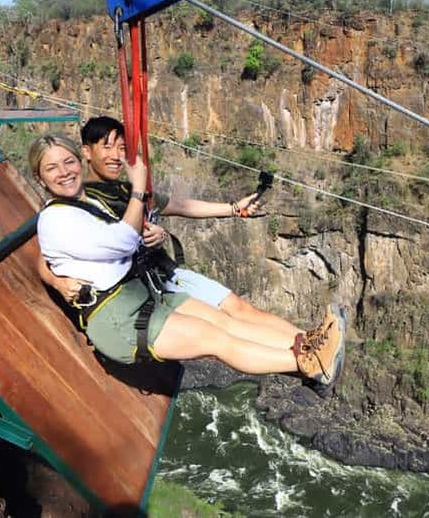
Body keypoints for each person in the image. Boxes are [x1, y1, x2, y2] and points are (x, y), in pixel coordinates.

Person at [30, 133, 345, 394]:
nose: (64, 172)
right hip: (118, 319)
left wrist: (158, 228)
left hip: (143, 295)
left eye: (68, 162)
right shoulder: (57, 217)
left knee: (228, 324)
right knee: (218, 340)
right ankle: (313, 366)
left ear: (80, 161)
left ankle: (309, 350)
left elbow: (135, 231)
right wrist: (138, 191)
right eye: (52, 168)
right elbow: (118, 242)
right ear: (40, 178)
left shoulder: (90, 200)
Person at [38, 116, 299, 340]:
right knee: (232, 324)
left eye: (122, 148)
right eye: (107, 147)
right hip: (147, 287)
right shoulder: (83, 200)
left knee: (240, 310)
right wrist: (57, 281)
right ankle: (305, 352)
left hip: (164, 273)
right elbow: (48, 252)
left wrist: (233, 208)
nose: (117, 156)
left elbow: (182, 206)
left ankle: (308, 344)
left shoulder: (126, 189)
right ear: (86, 152)